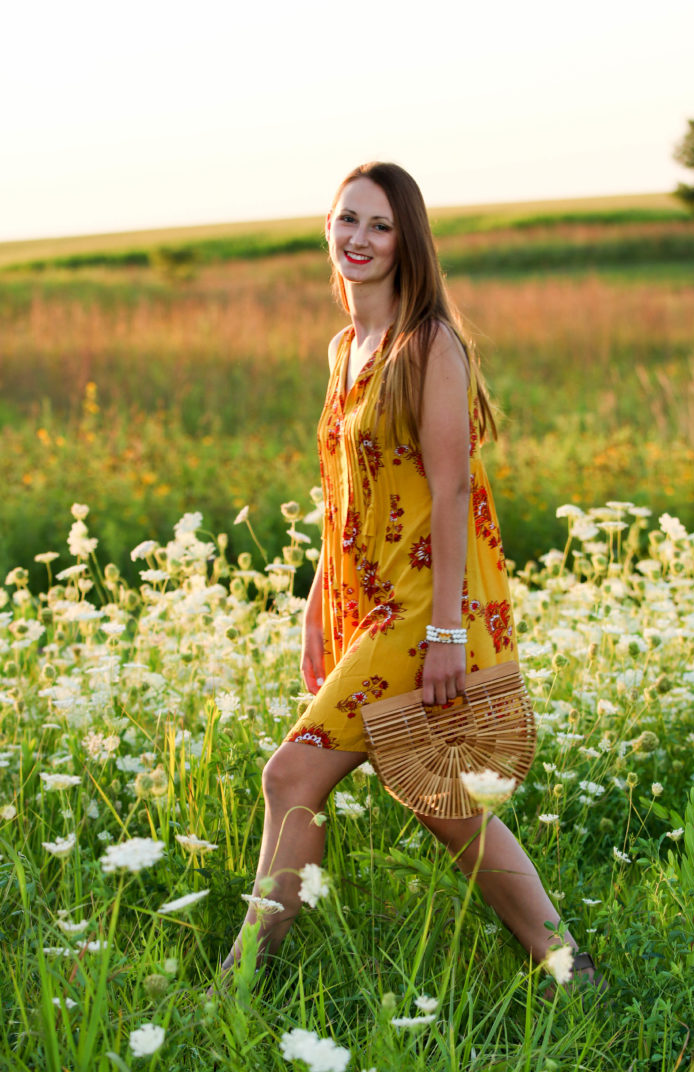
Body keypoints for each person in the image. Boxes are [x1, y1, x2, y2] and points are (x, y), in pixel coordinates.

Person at [214, 161, 601, 993]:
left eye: (379, 226)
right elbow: (344, 493)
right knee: (443, 803)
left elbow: (453, 487)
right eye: (347, 220)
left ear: (407, 241)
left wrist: (446, 633)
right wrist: (320, 601)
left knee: (291, 773)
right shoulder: (344, 347)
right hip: (370, 600)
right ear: (327, 227)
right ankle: (573, 971)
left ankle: (238, 986)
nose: (359, 238)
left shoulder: (431, 344)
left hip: (429, 604)